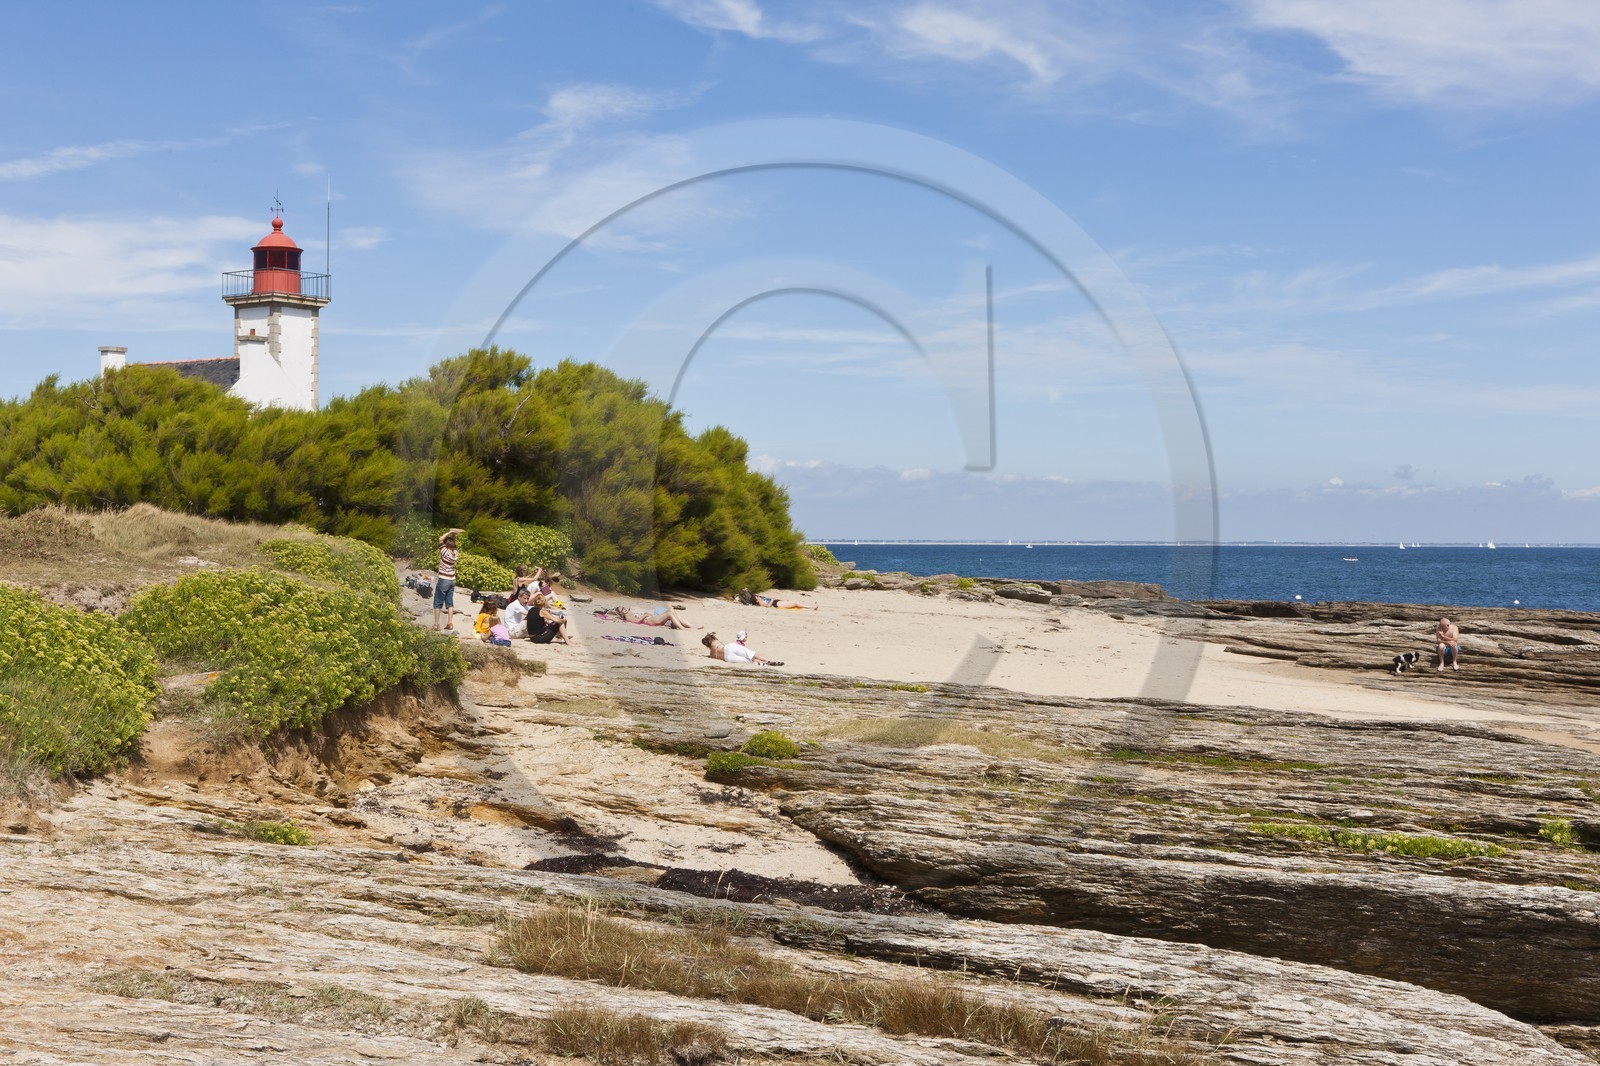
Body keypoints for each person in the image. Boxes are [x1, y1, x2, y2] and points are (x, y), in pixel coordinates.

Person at [433, 529, 463, 630]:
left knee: (438, 602)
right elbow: (452, 545)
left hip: (443, 579)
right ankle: (450, 623)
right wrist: (454, 535)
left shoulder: (444, 552)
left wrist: (450, 532)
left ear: (446, 545)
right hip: (452, 580)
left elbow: (440, 539)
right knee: (449, 602)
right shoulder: (455, 553)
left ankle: (436, 624)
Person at [701, 632, 780, 666]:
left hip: (727, 658)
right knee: (751, 654)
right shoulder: (715, 641)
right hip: (729, 647)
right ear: (712, 638)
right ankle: (768, 660)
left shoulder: (711, 654)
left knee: (749, 661)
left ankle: (764, 663)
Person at [607, 604, 699, 630]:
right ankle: (682, 628)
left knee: (671, 610)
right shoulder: (627, 617)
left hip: (650, 618)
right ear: (621, 613)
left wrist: (646, 614)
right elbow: (636, 622)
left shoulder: (630, 613)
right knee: (670, 614)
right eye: (621, 609)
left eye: (623, 607)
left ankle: (684, 625)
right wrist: (645, 615)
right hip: (649, 621)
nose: (624, 609)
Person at [737, 586, 817, 610]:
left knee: (794, 604)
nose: (758, 596)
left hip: (777, 602)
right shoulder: (760, 602)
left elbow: (752, 595)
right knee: (794, 603)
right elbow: (767, 606)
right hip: (776, 604)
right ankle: (810, 607)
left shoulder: (758, 599)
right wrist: (772, 600)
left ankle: (809, 608)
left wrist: (746, 590)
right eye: (757, 596)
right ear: (756, 599)